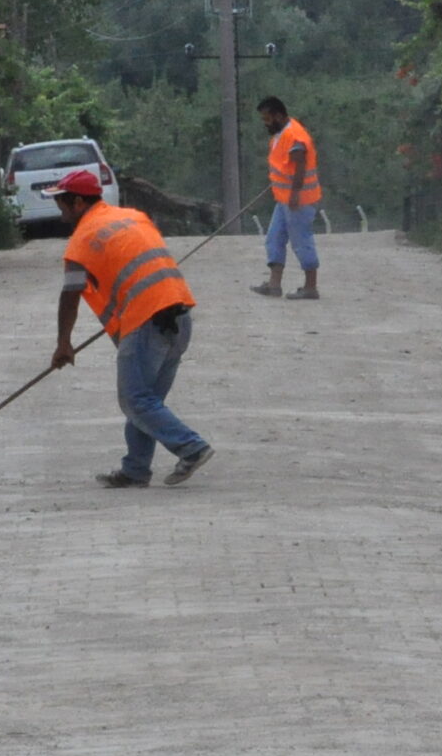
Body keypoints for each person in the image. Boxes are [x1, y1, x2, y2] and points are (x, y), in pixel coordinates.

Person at [48, 168, 216, 489]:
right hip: (179, 316)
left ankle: (191, 447)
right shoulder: (133, 216)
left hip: (147, 320)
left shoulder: (81, 241)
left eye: (62, 203)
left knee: (136, 400)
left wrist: (63, 345)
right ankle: (136, 468)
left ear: (79, 203)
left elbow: (70, 297)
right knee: (146, 400)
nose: (60, 211)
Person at [253, 95, 322, 301]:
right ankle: (274, 285)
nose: (265, 123)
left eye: (267, 118)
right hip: (284, 199)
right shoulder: (280, 133)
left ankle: (311, 287)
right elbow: (284, 167)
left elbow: (300, 169)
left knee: (301, 241)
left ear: (279, 115)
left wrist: (294, 195)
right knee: (274, 238)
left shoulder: (295, 136)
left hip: (298, 200)